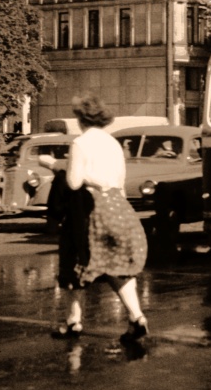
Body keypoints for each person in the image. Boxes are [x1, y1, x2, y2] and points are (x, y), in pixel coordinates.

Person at [54, 93, 149, 343]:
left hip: (89, 210)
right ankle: (136, 317)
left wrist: (58, 167)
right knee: (117, 267)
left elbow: (74, 182)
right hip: (118, 208)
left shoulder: (81, 143)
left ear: (80, 118)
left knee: (75, 263)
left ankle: (73, 321)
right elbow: (119, 182)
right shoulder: (113, 144)